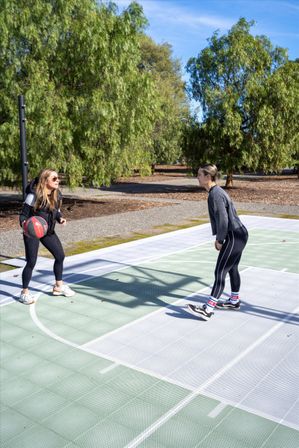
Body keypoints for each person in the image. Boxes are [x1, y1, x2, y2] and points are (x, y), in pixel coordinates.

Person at [187, 164, 248, 321]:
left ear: (208, 177)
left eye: (199, 174)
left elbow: (223, 219)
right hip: (239, 234)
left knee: (220, 271)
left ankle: (208, 309)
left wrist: (220, 239)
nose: (197, 177)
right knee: (232, 268)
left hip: (234, 235)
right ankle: (234, 301)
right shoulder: (215, 192)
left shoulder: (215, 194)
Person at [19, 168, 75, 304]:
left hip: (48, 231)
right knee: (31, 262)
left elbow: (57, 211)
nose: (58, 181)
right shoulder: (34, 195)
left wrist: (60, 218)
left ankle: (58, 286)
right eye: (54, 179)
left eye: (58, 178)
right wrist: (26, 225)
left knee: (60, 256)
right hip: (33, 232)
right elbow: (23, 215)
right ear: (45, 181)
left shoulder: (57, 195)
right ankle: (24, 293)